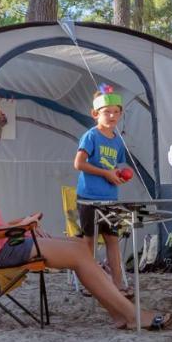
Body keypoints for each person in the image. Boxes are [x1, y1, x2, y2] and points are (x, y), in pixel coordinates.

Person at [0, 122, 168, 330]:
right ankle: (132, 316)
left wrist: (21, 223)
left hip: (0, 244)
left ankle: (120, 314)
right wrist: (19, 229)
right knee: (79, 252)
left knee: (79, 246)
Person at [72, 84, 132, 296]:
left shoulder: (117, 141)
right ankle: (91, 283)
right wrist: (105, 174)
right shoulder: (91, 136)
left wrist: (118, 175)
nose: (112, 116)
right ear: (95, 114)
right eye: (107, 112)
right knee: (89, 240)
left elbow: (118, 166)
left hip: (110, 198)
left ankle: (117, 284)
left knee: (112, 239)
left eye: (116, 112)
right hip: (89, 198)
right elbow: (78, 164)